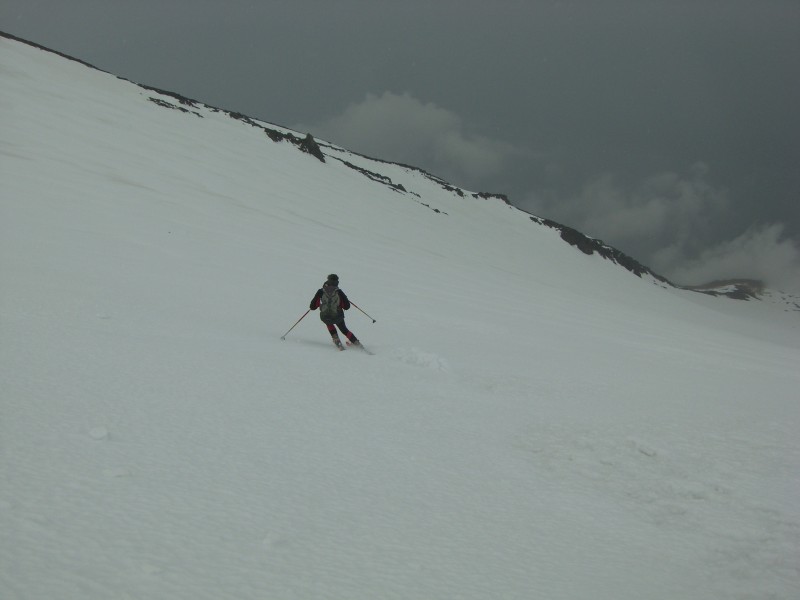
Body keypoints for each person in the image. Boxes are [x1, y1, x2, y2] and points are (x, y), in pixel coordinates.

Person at [309, 274, 360, 349]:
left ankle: (337, 341)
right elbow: (347, 306)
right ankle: (357, 343)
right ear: (337, 281)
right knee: (344, 329)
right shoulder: (338, 291)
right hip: (337, 316)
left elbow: (312, 307)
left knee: (328, 320)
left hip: (325, 316)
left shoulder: (321, 291)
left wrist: (321, 304)